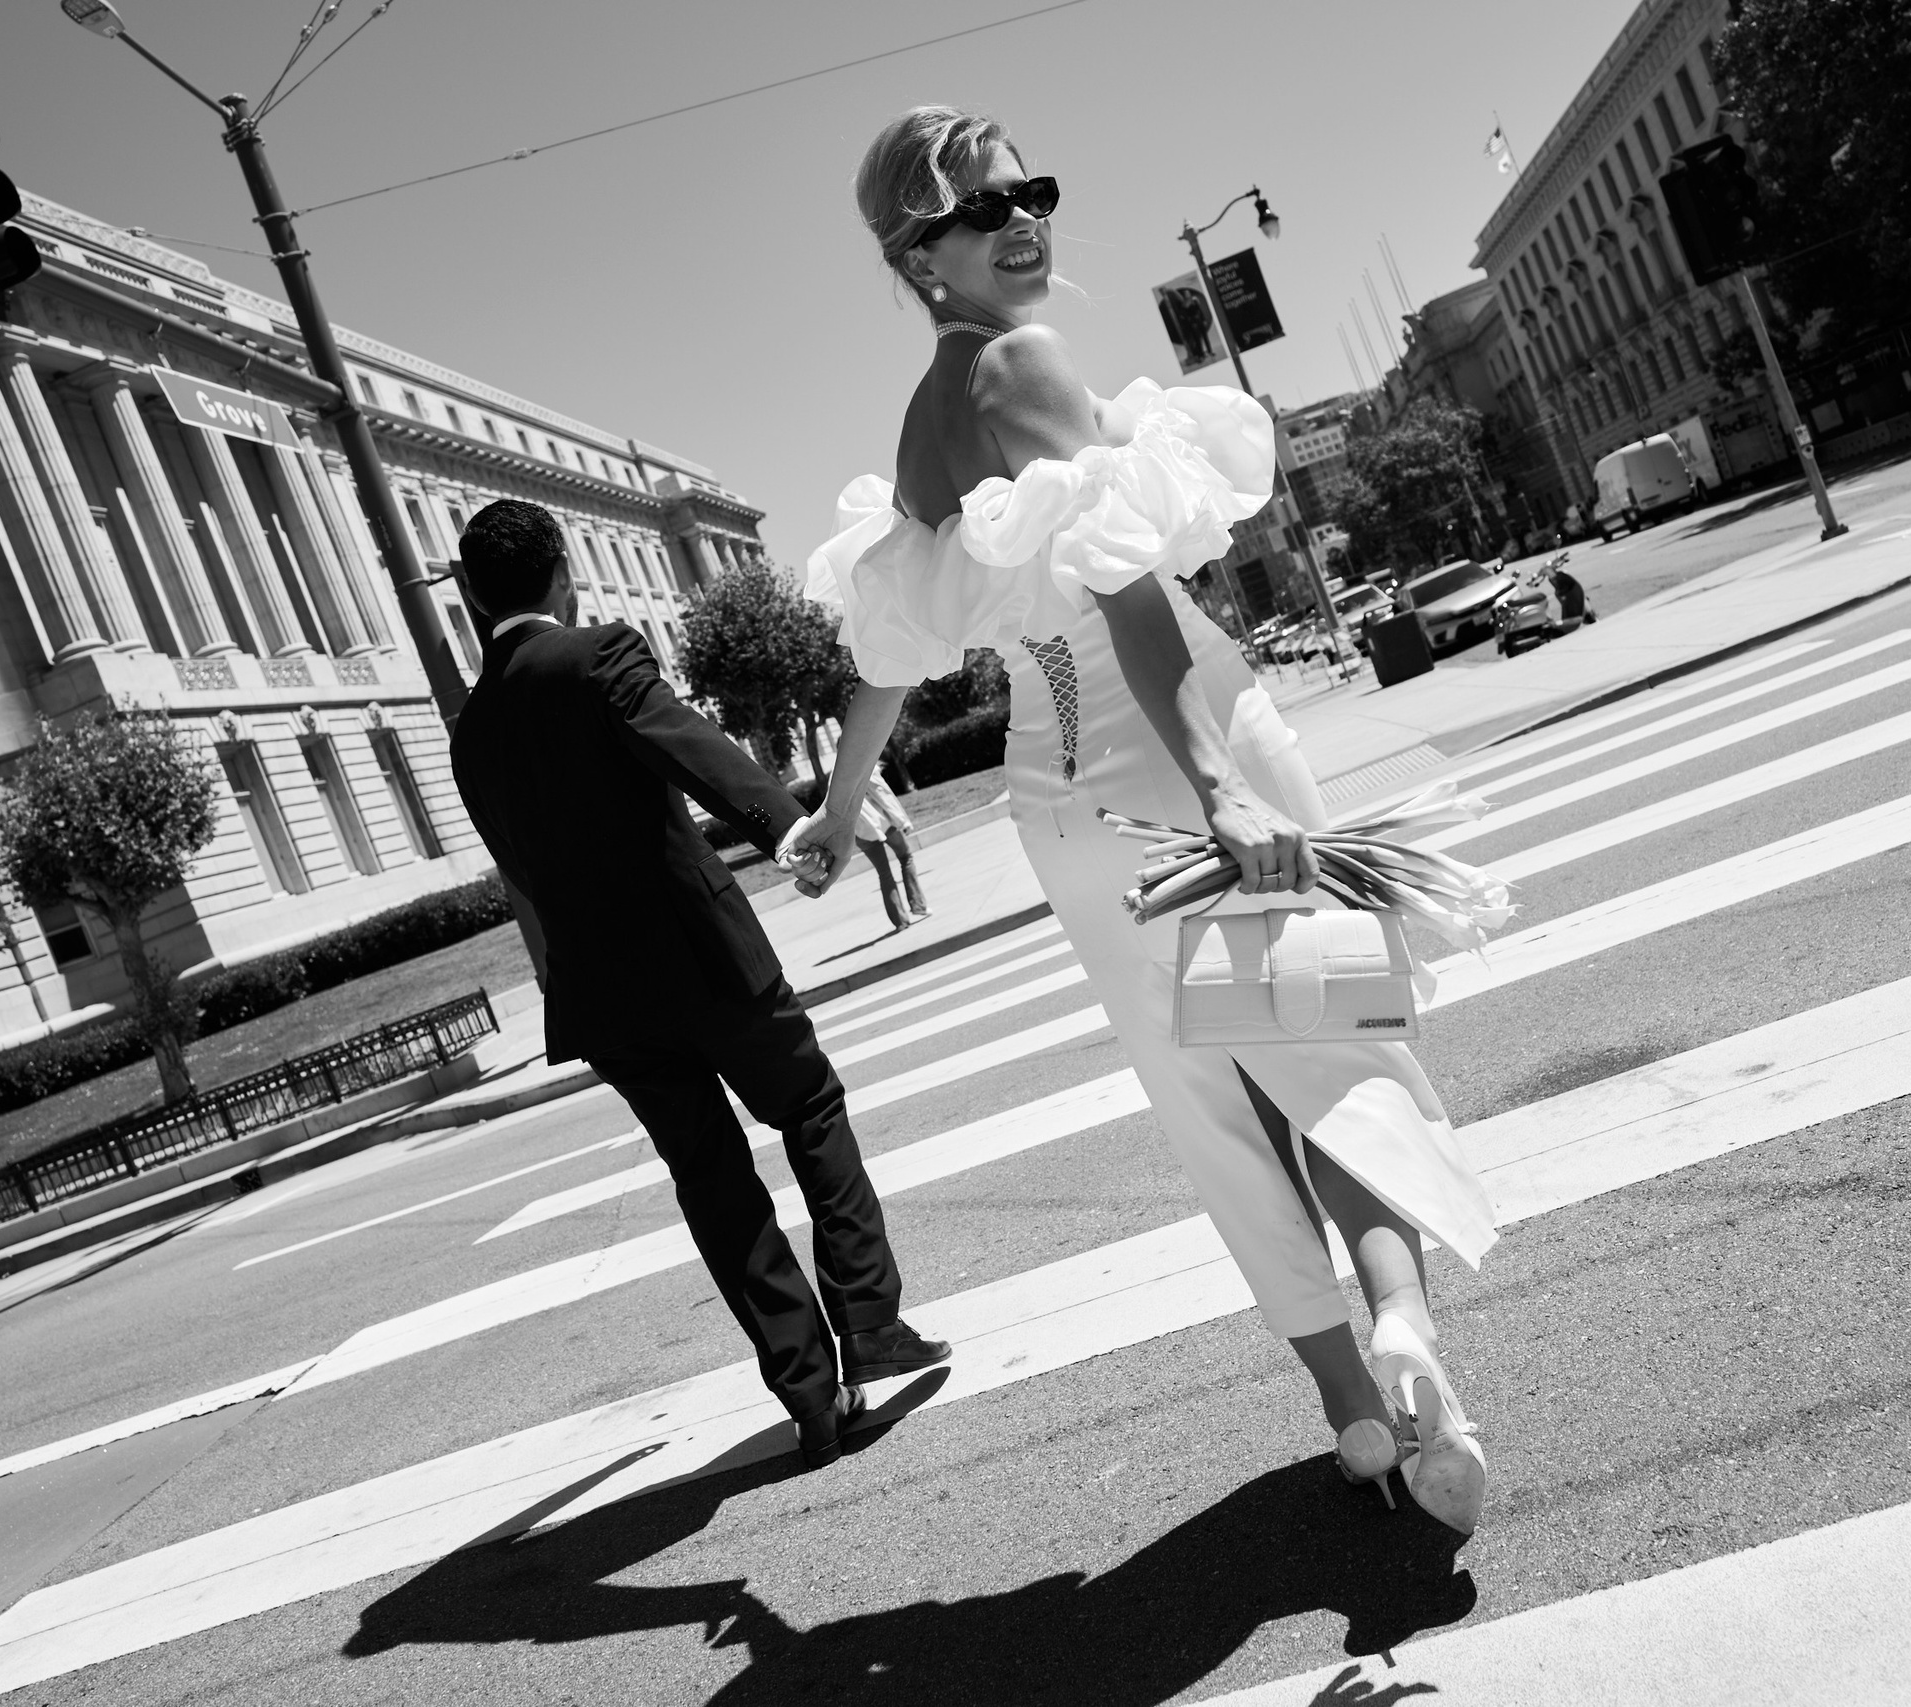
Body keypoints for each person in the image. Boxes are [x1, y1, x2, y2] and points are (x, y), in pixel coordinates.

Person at [785, 110, 1496, 1532]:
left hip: (1063, 810)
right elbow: (1123, 593)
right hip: (1185, 752)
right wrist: (1222, 787)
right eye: (982, 210)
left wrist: (842, 804)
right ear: (916, 257)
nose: (1024, 219)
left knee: (1212, 1107)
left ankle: (1353, 1415)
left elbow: (891, 655)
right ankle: (1409, 1336)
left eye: (1031, 189)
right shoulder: (1025, 362)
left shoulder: (925, 418)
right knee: (1331, 1036)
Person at [447, 499, 948, 1469]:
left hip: (599, 997)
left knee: (711, 1184)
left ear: (470, 594)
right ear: (563, 573)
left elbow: (526, 865)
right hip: (702, 956)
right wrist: (786, 825)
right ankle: (869, 1320)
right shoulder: (598, 655)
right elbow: (684, 742)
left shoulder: (469, 734)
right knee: (809, 1108)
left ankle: (807, 1392)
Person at [853, 770, 929, 927]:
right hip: (882, 823)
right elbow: (883, 794)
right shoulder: (864, 763)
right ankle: (918, 905)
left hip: (860, 832)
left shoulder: (833, 778)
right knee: (906, 857)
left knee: (884, 874)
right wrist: (903, 821)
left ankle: (900, 921)